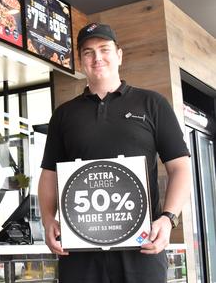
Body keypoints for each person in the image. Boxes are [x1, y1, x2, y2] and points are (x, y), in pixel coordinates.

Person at [37, 23, 192, 283]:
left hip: (142, 249)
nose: (97, 58)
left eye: (104, 49)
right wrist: (47, 218)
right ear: (81, 61)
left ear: (119, 55)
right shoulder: (64, 114)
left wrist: (168, 219)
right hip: (80, 250)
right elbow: (49, 175)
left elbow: (181, 167)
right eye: (88, 52)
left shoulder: (152, 104)